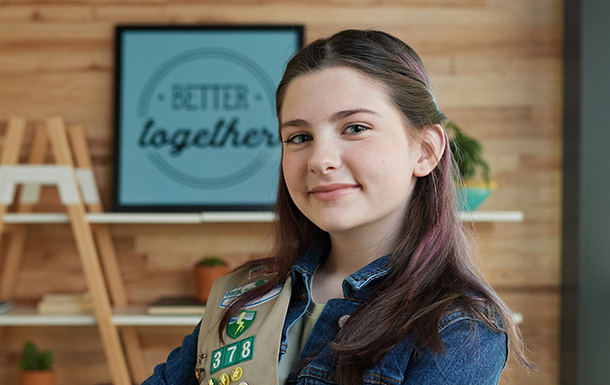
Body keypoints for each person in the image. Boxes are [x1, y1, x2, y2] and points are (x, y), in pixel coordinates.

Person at [142, 29, 530, 385]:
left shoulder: (457, 327)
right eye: (299, 136)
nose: (319, 159)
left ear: (426, 151)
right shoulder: (242, 292)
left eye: (355, 128)